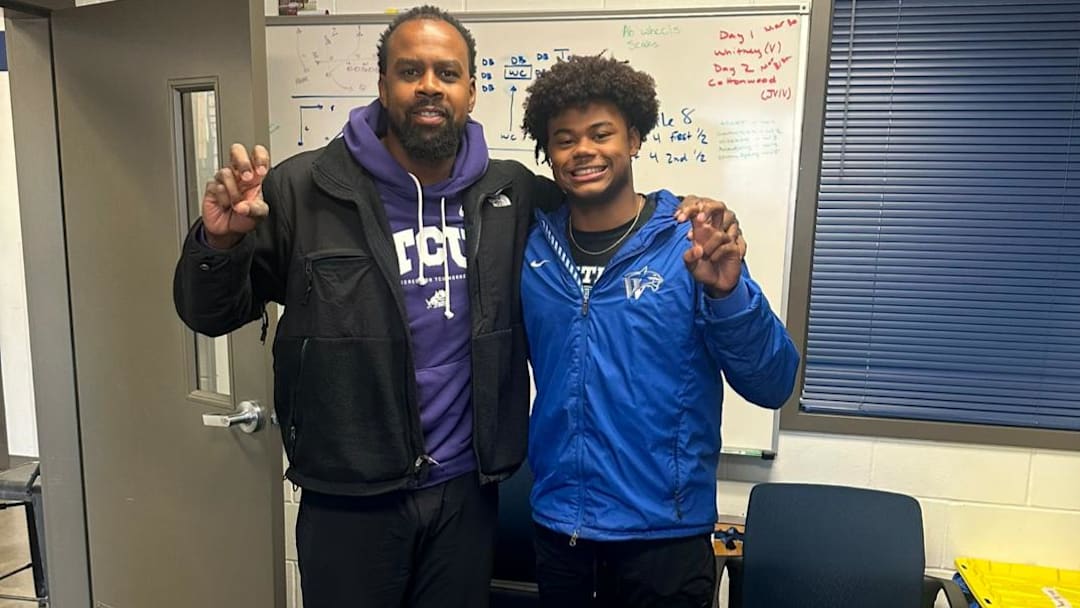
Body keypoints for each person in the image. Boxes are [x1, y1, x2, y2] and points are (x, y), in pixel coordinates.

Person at [174, 7, 725, 607]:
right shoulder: (304, 189)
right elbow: (211, 315)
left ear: (470, 91)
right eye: (410, 71)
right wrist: (219, 243)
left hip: (465, 492)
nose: (429, 85)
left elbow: (600, 200)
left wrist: (680, 207)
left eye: (447, 72)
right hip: (349, 495)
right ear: (383, 86)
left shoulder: (511, 195)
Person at [519, 54, 801, 608]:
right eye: (564, 139)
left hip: (663, 542)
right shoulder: (532, 250)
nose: (583, 151)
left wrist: (727, 293)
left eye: (601, 133)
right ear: (547, 153)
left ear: (635, 138)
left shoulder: (689, 245)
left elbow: (773, 384)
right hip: (560, 534)